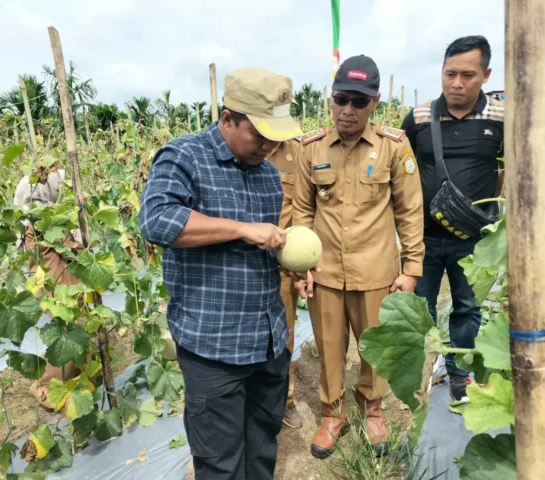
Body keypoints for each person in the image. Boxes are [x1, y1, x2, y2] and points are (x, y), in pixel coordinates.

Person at [140, 67, 305, 480]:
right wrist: (240, 229)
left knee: (262, 448)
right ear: (228, 118)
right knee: (220, 463)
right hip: (214, 347)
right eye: (261, 133)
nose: (270, 145)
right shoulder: (184, 157)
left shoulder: (268, 174)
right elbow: (157, 220)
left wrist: (293, 265)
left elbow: (261, 247)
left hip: (267, 341)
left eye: (276, 135)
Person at [292, 54, 425, 459]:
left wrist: (412, 269)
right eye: (340, 99)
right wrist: (301, 268)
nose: (347, 110)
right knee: (329, 347)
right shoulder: (310, 149)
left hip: (376, 271)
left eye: (358, 101)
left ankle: (373, 408)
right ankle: (333, 414)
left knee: (376, 348)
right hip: (325, 271)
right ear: (331, 99)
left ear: (375, 102)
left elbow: (410, 211)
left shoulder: (392, 147)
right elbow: (302, 211)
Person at [400, 35, 504, 402]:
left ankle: (460, 375)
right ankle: (419, 374)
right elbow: (403, 168)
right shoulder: (419, 117)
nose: (457, 84)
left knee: (467, 307)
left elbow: (506, 169)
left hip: (474, 237)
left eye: (467, 75)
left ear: (486, 75)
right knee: (419, 307)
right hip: (422, 237)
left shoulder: (501, 117)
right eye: (450, 74)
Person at [14, 169, 85, 410]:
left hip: (57, 276)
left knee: (72, 328)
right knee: (71, 329)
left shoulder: (34, 218)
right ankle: (45, 387)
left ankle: (71, 375)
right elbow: (70, 245)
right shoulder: (42, 219)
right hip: (57, 279)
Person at [266, 139, 304, 429]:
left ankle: (284, 400)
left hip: (280, 266)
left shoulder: (297, 152)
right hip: (236, 264)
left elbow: (305, 206)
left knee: (283, 334)